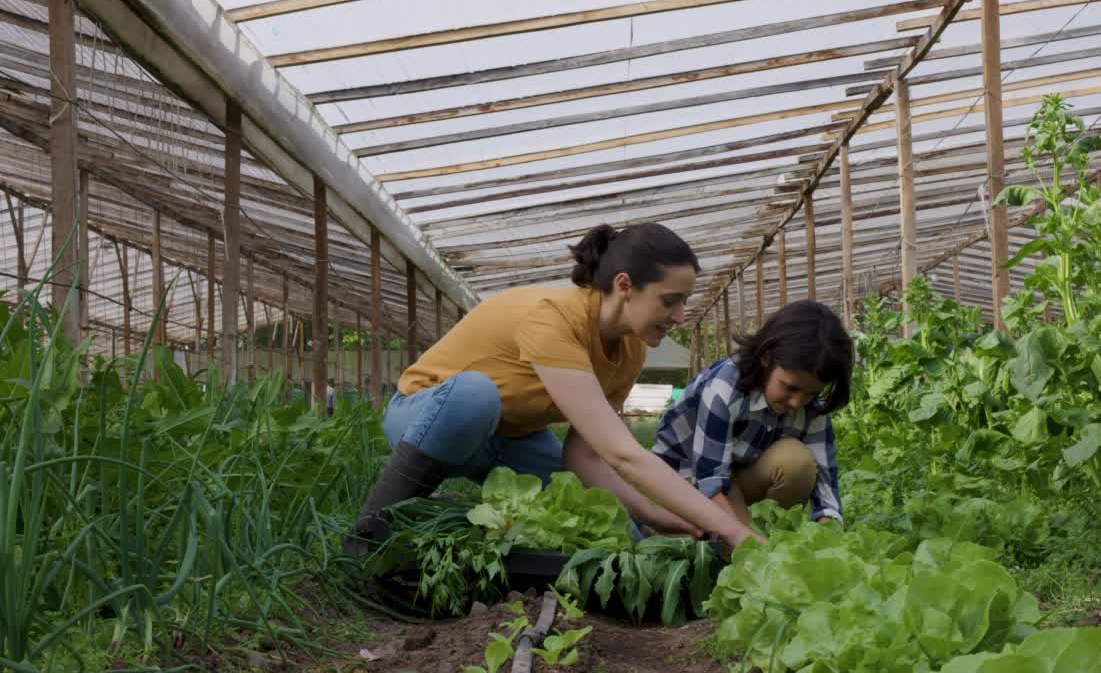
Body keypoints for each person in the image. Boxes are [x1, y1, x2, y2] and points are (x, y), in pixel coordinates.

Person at [347, 223, 761, 555]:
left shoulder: (630, 348)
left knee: (617, 528)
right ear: (624, 285)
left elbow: (586, 455)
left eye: (684, 301)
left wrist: (650, 514)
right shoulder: (552, 320)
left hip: (510, 439)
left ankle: (450, 511)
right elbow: (623, 453)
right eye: (670, 301)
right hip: (425, 417)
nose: (679, 315)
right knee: (475, 394)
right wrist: (728, 527)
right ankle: (368, 535)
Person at [653, 300, 853, 529]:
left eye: (810, 393)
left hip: (735, 474)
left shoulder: (810, 404)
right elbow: (709, 482)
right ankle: (669, 527)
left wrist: (830, 532)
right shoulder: (725, 387)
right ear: (766, 358)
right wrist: (741, 540)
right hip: (683, 477)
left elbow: (825, 482)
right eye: (790, 387)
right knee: (728, 544)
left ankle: (769, 536)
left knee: (796, 463)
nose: (797, 402)